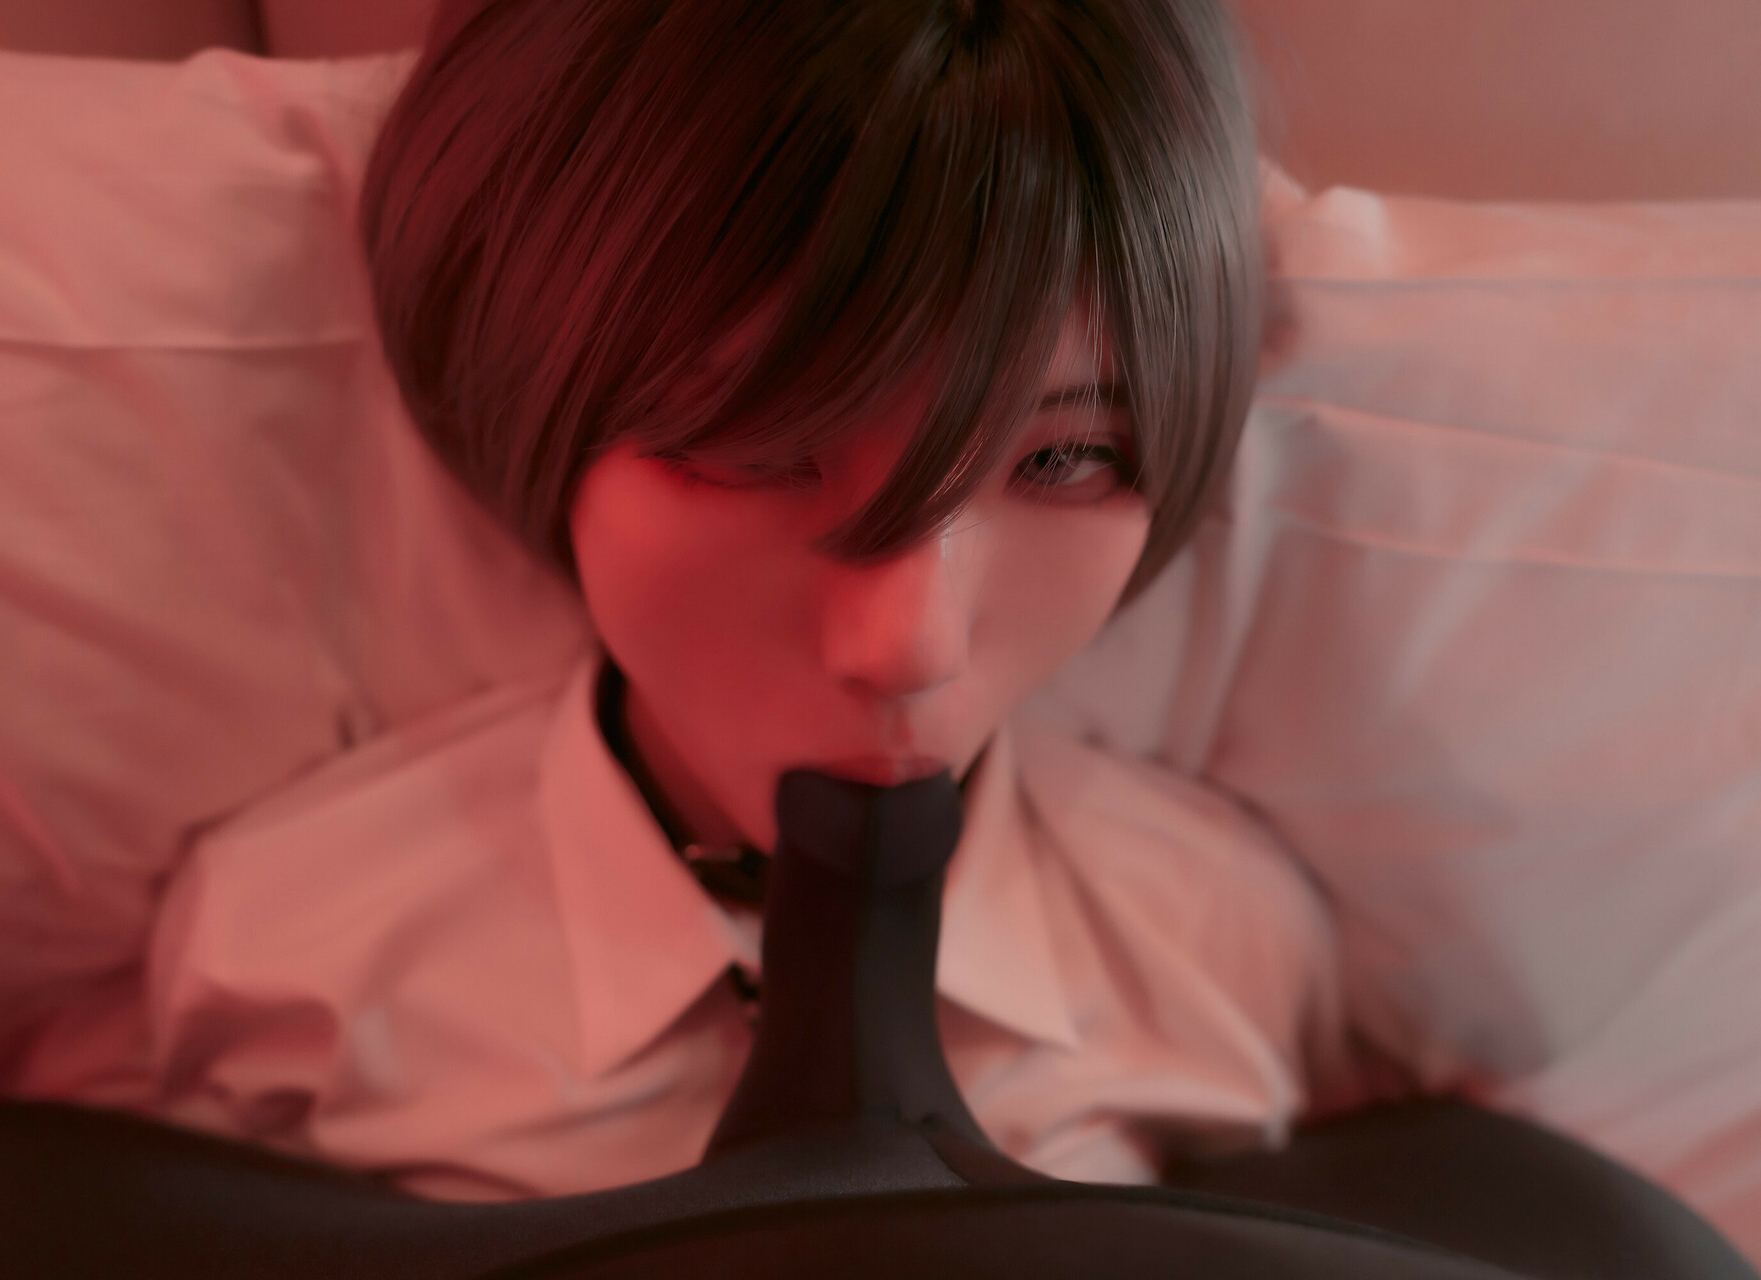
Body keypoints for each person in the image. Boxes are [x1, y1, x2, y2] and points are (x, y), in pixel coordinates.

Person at [136, 0, 1353, 1201]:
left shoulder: (1222, 958)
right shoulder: (283, 972)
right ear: (529, 398)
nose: (907, 642)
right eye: (760, 451)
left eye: (1063, 458)